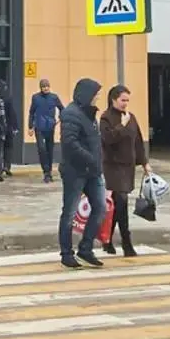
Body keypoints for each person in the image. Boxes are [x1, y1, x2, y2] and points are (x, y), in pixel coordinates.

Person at [57, 78, 106, 268]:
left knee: (100, 207)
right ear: (87, 94)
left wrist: (98, 162)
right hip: (75, 172)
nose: (97, 98)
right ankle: (66, 253)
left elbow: (93, 141)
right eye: (96, 94)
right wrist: (91, 158)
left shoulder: (90, 113)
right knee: (69, 213)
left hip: (93, 171)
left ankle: (86, 248)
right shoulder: (70, 113)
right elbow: (70, 143)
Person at [99, 84, 148, 257]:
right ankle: (126, 243)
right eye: (122, 100)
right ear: (113, 99)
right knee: (121, 202)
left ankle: (107, 240)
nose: (125, 103)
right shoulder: (105, 118)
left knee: (117, 205)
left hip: (128, 167)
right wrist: (122, 125)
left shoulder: (130, 117)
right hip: (113, 166)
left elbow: (138, 141)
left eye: (127, 100)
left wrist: (144, 163)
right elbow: (108, 139)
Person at [27, 78, 63, 183]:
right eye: (43, 87)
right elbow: (31, 112)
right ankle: (46, 171)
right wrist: (30, 127)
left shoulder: (54, 97)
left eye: (47, 86)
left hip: (50, 127)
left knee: (49, 149)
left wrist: (60, 119)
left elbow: (62, 108)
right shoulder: (36, 98)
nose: (46, 88)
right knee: (41, 149)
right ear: (41, 88)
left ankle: (49, 172)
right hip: (39, 127)